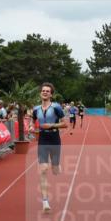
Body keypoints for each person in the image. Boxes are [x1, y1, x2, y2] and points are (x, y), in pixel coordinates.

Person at [32, 83, 66, 213]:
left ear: (51, 94)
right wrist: (31, 126)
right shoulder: (36, 109)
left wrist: (51, 125)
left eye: (47, 91)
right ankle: (45, 201)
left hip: (55, 139)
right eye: (43, 91)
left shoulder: (56, 107)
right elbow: (32, 121)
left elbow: (65, 124)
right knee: (43, 169)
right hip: (43, 140)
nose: (45, 92)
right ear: (41, 93)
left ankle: (56, 165)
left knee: (55, 170)